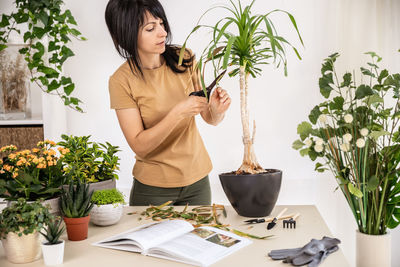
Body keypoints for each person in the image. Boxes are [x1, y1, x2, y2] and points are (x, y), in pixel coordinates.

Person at [105, 0, 231, 206]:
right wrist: (178, 112)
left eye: (162, 24)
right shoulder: (121, 81)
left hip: (197, 182)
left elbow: (209, 117)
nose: (162, 33)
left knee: (198, 237)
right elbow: (139, 146)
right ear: (126, 33)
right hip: (152, 190)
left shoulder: (185, 58)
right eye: (150, 28)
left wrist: (217, 111)